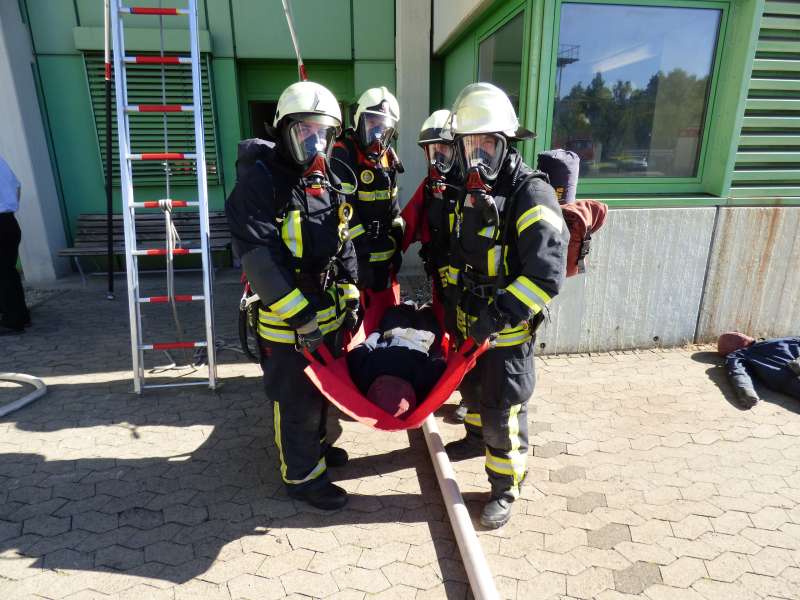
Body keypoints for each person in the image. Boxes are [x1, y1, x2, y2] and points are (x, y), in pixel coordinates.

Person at [225, 81, 360, 510]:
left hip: (328, 312)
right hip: (288, 319)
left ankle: (316, 452)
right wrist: (301, 319)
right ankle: (302, 477)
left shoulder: (330, 178)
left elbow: (346, 240)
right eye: (305, 132)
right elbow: (260, 261)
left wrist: (352, 292)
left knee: (324, 394)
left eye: (323, 133)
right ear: (283, 131)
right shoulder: (260, 183)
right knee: (296, 399)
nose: (315, 143)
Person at [442, 83, 568, 529]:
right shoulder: (466, 189)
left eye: (488, 145)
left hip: (505, 333)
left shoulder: (530, 194)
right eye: (470, 146)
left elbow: (545, 276)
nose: (478, 158)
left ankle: (505, 487)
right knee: (474, 396)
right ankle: (474, 439)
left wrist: (496, 317)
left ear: (508, 144)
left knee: (503, 411)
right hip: (471, 324)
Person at [400, 110, 467, 419]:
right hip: (440, 280)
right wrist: (384, 253)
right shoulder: (431, 187)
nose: (437, 158)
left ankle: (472, 399)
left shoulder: (471, 188)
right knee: (446, 331)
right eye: (431, 151)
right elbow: (407, 222)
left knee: (467, 340)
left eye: (443, 149)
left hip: (467, 284)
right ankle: (447, 384)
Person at [333, 87, 404, 292]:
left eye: (383, 126)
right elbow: (344, 212)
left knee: (384, 319)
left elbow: (394, 208)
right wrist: (360, 259)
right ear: (358, 122)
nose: (378, 133)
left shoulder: (388, 158)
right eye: (372, 123)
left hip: (383, 260)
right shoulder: (343, 154)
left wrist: (396, 245)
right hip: (353, 260)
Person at [346, 301, 447, 417]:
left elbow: (439, 365)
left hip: (421, 338)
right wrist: (376, 333)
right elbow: (361, 350)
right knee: (402, 311)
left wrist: (437, 353)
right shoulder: (362, 378)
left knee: (426, 315)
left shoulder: (420, 384)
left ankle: (422, 307)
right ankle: (414, 305)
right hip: (395, 332)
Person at [718, 332, 800, 408]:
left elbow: (737, 372)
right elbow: (737, 370)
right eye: (737, 333)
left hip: (788, 380)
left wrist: (745, 390)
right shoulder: (782, 340)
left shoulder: (738, 355)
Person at [0, 155, 30, 336]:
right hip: (9, 221)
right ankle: (21, 316)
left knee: (3, 275)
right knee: (9, 272)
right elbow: (17, 186)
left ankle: (12, 321)